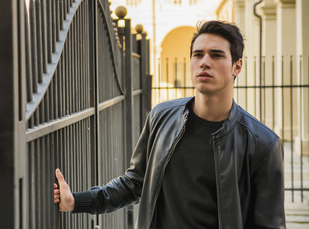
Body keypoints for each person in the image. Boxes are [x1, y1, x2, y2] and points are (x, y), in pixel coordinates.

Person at [53, 20, 286, 229]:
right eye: (198, 54)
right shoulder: (161, 117)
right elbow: (134, 183)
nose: (205, 62)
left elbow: (268, 223)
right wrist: (76, 201)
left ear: (237, 66)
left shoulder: (263, 144)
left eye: (216, 55)